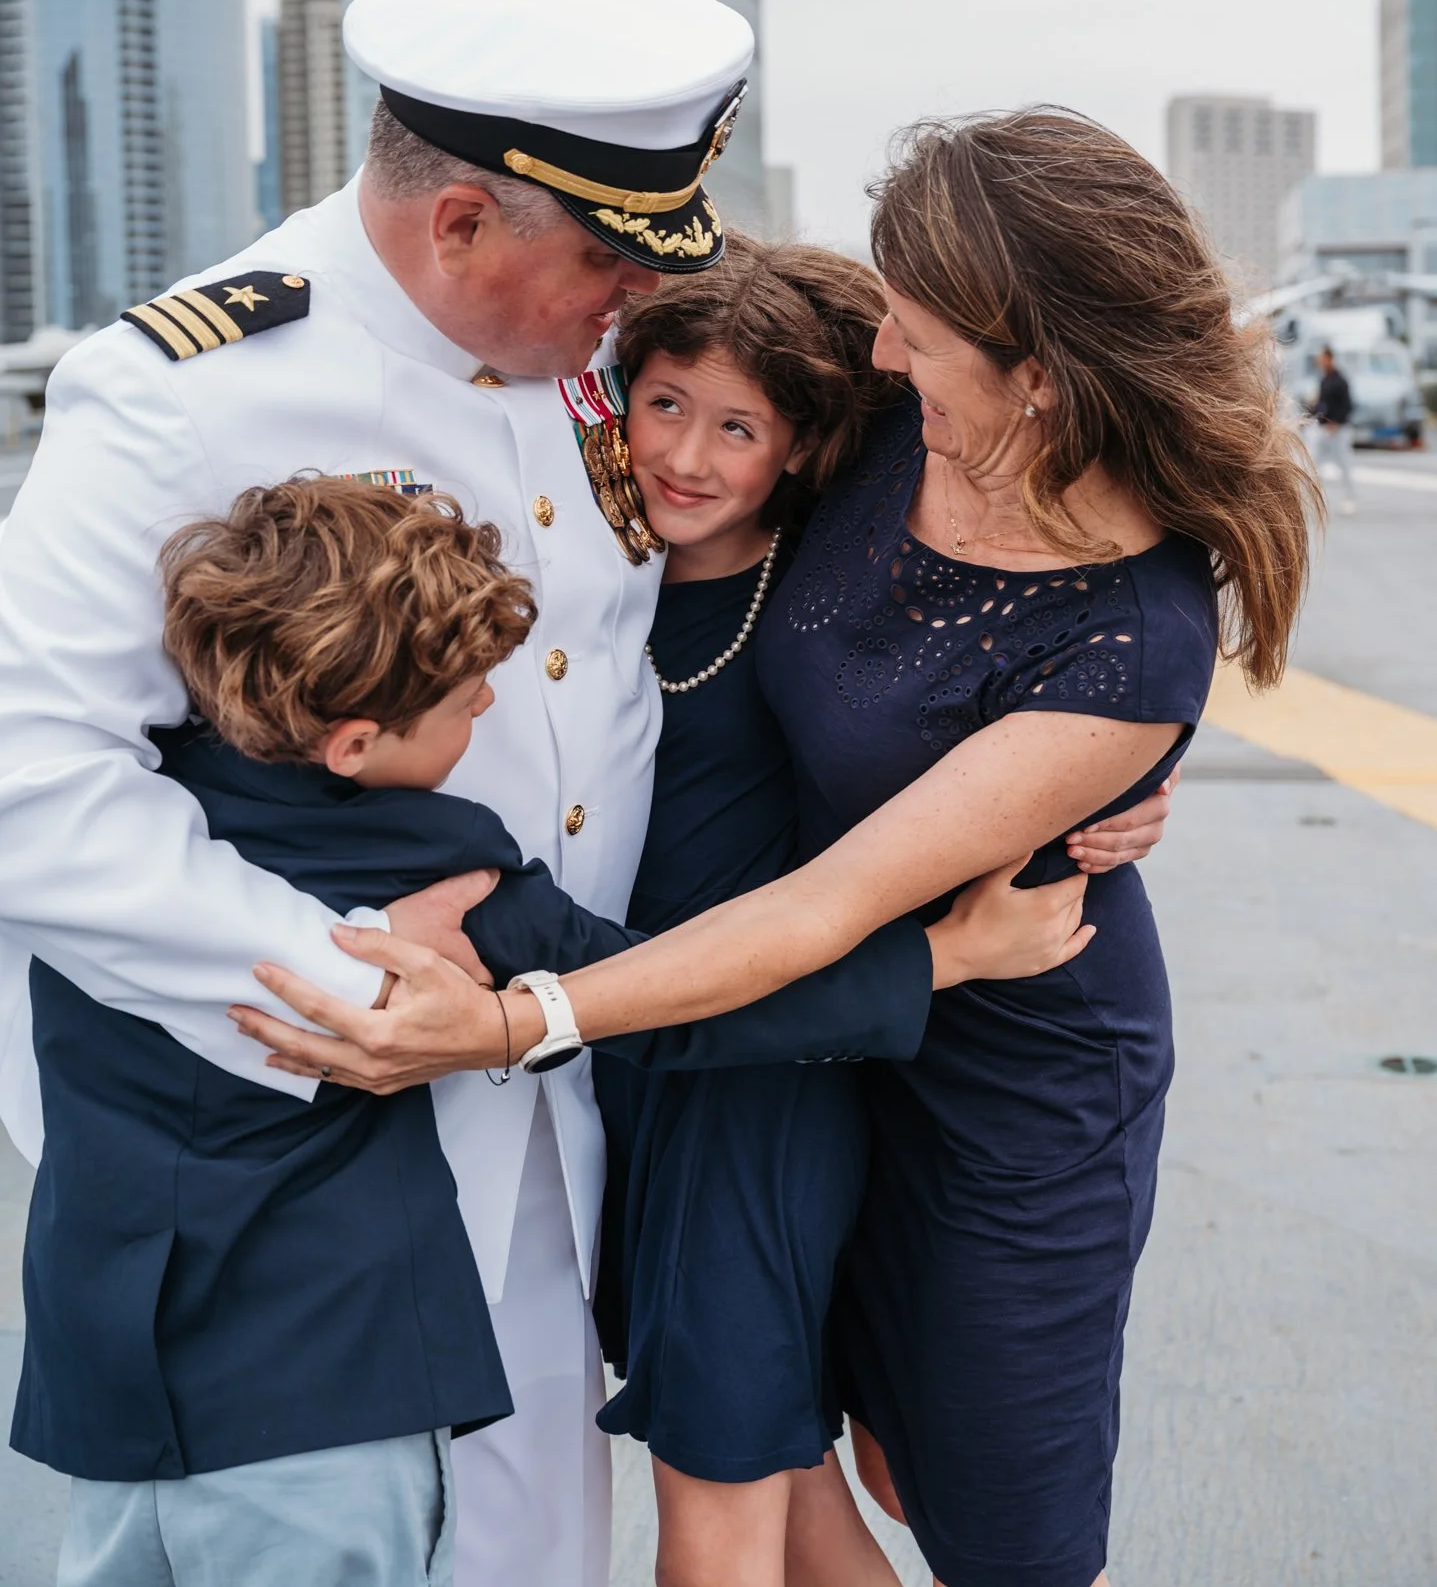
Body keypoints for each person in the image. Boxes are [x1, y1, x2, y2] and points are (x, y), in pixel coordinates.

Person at [239, 110, 1316, 1587]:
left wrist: (506, 1024)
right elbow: (647, 287)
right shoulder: (885, 416)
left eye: (920, 336)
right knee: (800, 1433)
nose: (883, 354)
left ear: (1040, 385)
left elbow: (824, 907)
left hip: (1002, 1065)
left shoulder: (1132, 636)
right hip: (777, 1026)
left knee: (979, 1508)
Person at [0, 0, 756, 1587]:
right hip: (296, 1140)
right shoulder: (188, 388)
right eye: (608, 257)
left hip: (552, 1110)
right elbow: (32, 774)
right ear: (461, 225)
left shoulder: (580, 358)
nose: (632, 299)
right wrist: (340, 993)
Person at [463, 238, 1170, 1587]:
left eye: (739, 426)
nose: (689, 454)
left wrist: (1141, 760)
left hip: (757, 1080)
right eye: (664, 404)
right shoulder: (583, 577)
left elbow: (1016, 675)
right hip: (650, 1070)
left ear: (796, 448)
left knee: (721, 1487)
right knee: (791, 1477)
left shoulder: (815, 600)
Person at [17, 478, 539, 1585]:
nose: (486, 711)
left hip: (114, 1395)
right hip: (330, 1395)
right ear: (352, 745)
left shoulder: (102, 824)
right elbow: (674, 989)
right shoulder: (439, 865)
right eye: (465, 700)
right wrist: (937, 960)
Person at [1307, 344, 1357, 514]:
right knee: (1315, 463)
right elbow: (1321, 405)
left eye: (1322, 357)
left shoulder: (1340, 381)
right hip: (1323, 429)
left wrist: (1336, 422)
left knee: (1344, 464)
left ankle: (1349, 498)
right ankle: (1315, 500)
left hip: (1338, 430)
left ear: (1329, 358)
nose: (1319, 361)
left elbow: (1348, 405)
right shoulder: (1324, 380)